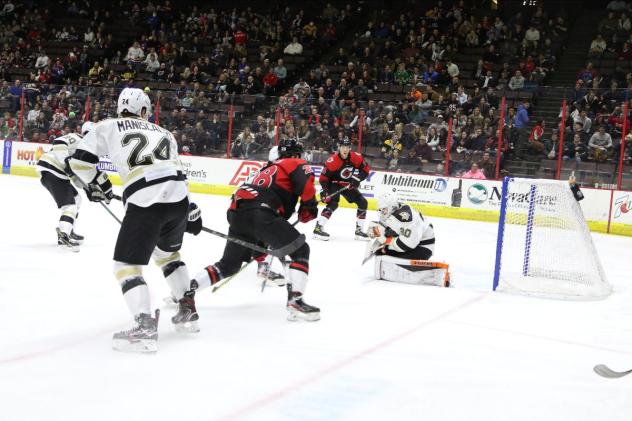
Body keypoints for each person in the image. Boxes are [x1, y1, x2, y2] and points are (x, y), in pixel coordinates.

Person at [68, 88, 202, 352]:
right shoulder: (165, 133)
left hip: (145, 199)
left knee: (125, 266)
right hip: (179, 199)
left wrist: (99, 184)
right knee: (168, 256)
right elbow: (177, 174)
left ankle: (143, 326)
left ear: (121, 109)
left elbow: (80, 161)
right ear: (144, 111)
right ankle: (187, 308)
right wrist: (190, 209)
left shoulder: (108, 125)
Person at [187, 138, 321, 321]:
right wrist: (309, 207)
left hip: (237, 213)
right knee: (301, 250)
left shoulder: (266, 169)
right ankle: (296, 301)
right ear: (297, 154)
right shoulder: (295, 162)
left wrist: (259, 242)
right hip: (261, 212)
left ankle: (186, 290)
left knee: (228, 265)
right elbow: (305, 186)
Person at [36, 121, 94, 249]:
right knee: (70, 206)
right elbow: (58, 142)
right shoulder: (78, 138)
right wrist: (65, 163)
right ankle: (64, 234)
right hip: (53, 170)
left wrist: (88, 188)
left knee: (77, 199)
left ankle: (69, 228)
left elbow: (76, 175)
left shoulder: (85, 148)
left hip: (56, 173)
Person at [367, 192, 445, 286]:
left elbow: (407, 244)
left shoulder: (404, 218)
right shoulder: (397, 210)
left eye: (384, 209)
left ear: (392, 207)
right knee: (382, 251)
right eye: (381, 210)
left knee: (383, 252)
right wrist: (374, 228)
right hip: (416, 243)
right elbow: (388, 227)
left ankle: (433, 274)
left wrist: (384, 241)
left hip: (423, 248)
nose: (382, 212)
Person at [313, 137, 371, 240]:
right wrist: (325, 191)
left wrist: (357, 179)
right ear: (339, 147)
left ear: (350, 148)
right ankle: (318, 229)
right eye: (343, 147)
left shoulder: (356, 157)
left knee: (363, 202)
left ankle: (359, 232)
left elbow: (365, 170)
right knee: (333, 203)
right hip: (333, 183)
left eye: (347, 147)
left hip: (347, 184)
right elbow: (323, 178)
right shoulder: (332, 161)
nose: (345, 149)